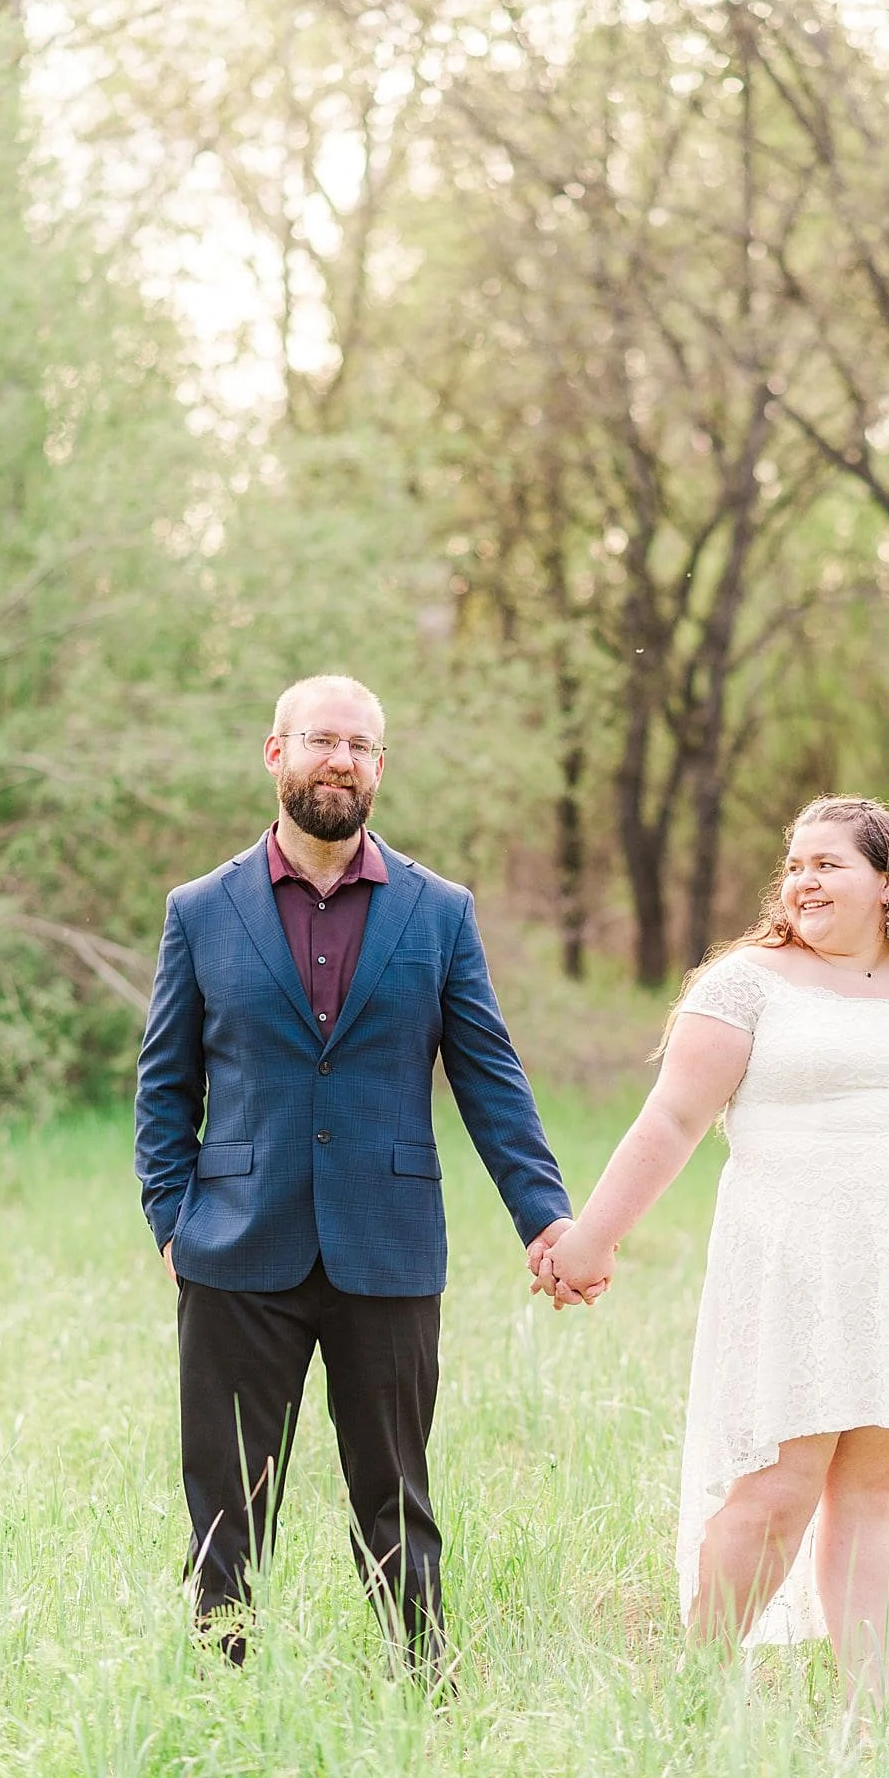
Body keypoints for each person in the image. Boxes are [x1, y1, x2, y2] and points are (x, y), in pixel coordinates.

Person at [535, 795, 889, 1714]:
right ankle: (699, 1692)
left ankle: (869, 1714)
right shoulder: (746, 982)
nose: (802, 880)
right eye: (794, 864)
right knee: (780, 1486)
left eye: (826, 864)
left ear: (886, 882)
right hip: (795, 1255)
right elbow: (673, 1119)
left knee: (874, 1487)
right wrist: (590, 1239)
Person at [134, 673, 585, 1672]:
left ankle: (422, 1684)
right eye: (320, 739)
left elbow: (491, 1078)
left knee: (396, 1493)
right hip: (236, 1249)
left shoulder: (438, 912)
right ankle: (219, 1684)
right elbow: (164, 1082)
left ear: (379, 767)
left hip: (387, 1246)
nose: (340, 758)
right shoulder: (201, 911)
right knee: (227, 1501)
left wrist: (544, 1216)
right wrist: (172, 1219)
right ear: (276, 752)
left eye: (360, 745)